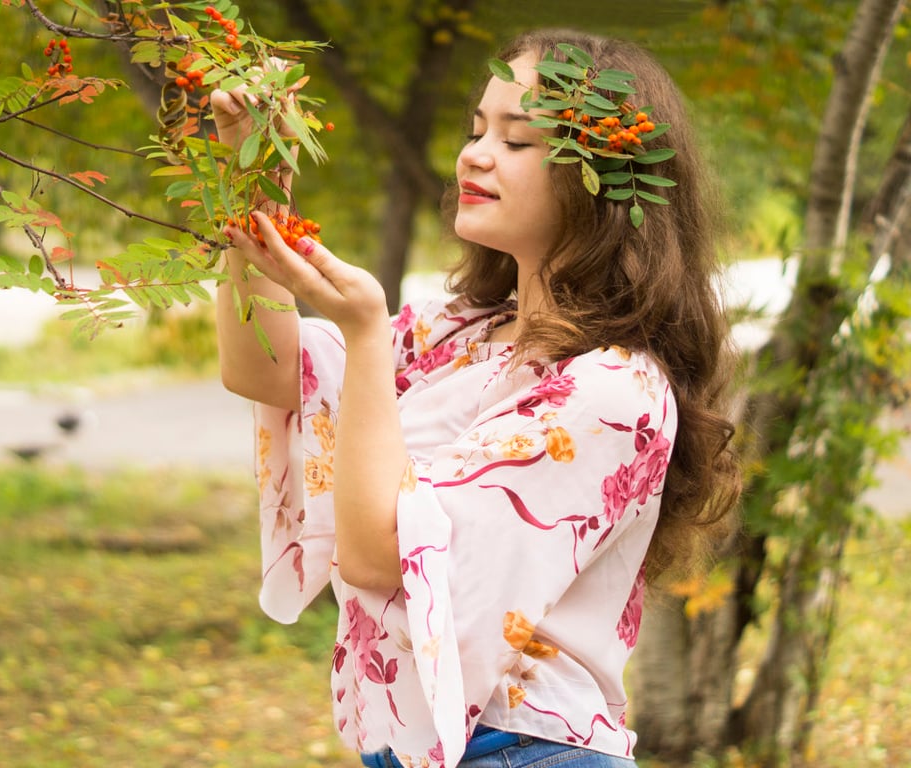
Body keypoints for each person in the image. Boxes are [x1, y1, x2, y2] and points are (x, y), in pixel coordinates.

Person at [210, 27, 741, 768]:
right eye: (476, 128)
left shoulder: (614, 390)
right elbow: (262, 369)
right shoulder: (458, 334)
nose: (475, 153)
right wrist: (254, 187)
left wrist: (363, 333)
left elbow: (377, 556)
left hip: (529, 750)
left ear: (605, 185)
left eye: (518, 140)